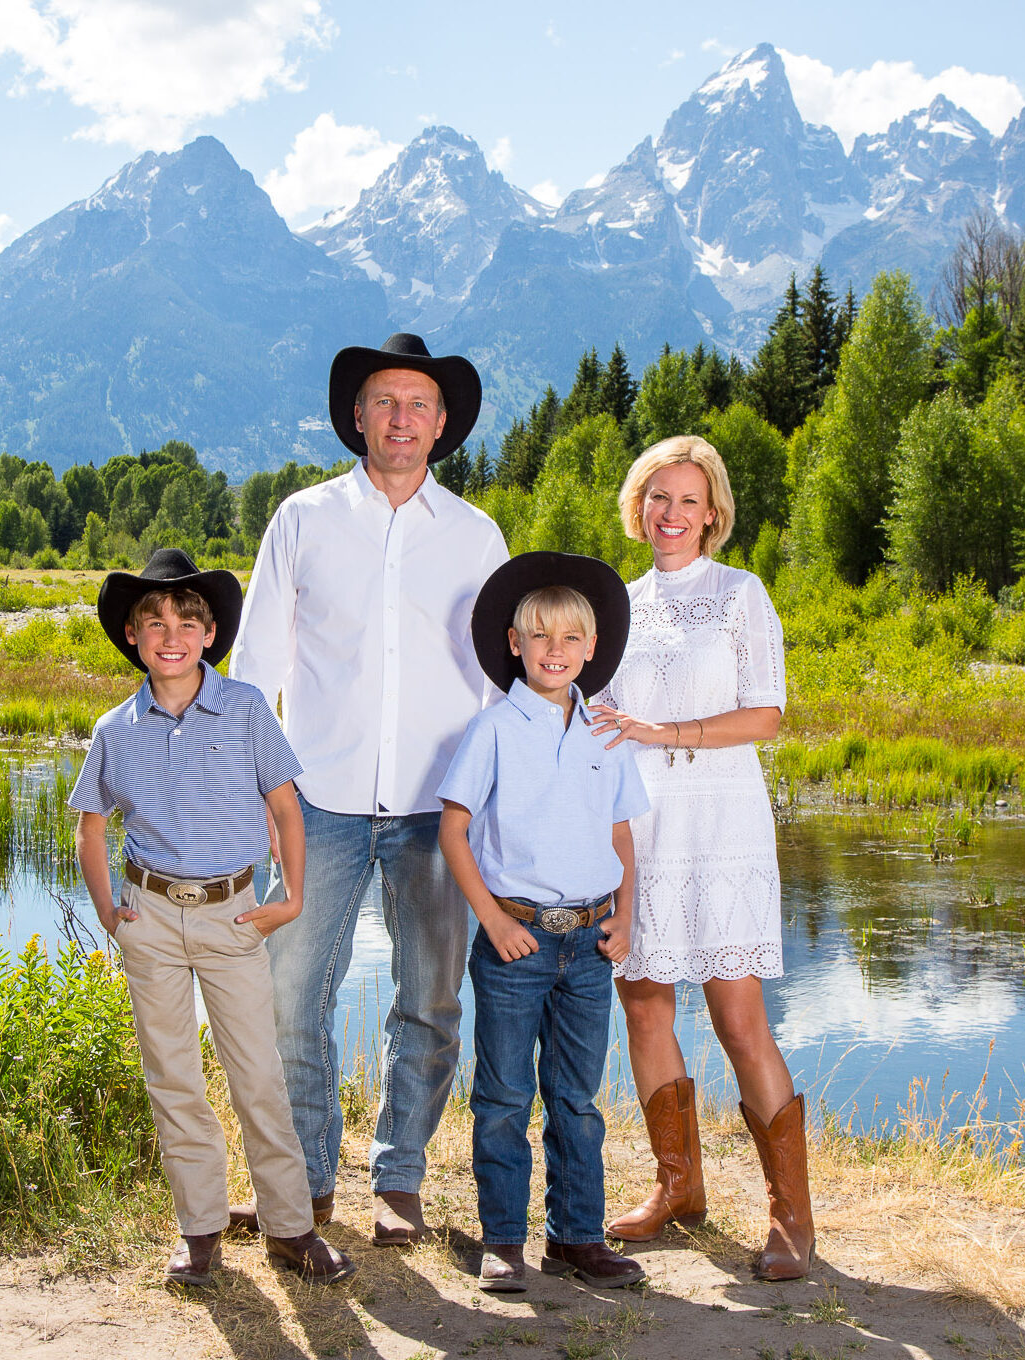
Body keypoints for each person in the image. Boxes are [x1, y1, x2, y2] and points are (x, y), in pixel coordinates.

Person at [229, 334, 510, 1245]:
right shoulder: (303, 520)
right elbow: (258, 665)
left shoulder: (476, 536)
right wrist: (262, 799)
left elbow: (504, 682)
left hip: (440, 810)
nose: (401, 419)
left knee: (429, 1000)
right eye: (385, 402)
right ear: (357, 414)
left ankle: (399, 1178)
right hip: (318, 802)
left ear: (442, 425)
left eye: (419, 405)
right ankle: (308, 1181)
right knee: (287, 997)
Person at [70, 548, 354, 1287]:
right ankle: (199, 1230)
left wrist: (287, 898)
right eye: (154, 621)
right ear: (133, 636)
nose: (171, 633)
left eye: (186, 620)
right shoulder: (116, 727)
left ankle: (290, 1228)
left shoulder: (248, 707)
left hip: (234, 917)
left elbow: (286, 807)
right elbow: (90, 824)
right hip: (152, 919)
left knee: (257, 1074)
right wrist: (109, 911)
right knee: (174, 1077)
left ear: (208, 634)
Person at [590, 436, 814, 1281]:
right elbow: (595, 716)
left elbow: (766, 715)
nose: (670, 514)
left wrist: (665, 733)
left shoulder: (740, 596)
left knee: (737, 1019)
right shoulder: (617, 603)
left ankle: (791, 1218)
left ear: (713, 512)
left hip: (722, 826)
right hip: (640, 832)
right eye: (656, 497)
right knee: (644, 1007)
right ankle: (679, 1189)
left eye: (687, 500)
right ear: (637, 507)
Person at [438, 551, 649, 1293]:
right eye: (539, 638)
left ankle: (577, 1238)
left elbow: (623, 835)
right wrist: (491, 921)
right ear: (513, 645)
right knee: (501, 1098)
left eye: (569, 640)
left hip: (590, 943)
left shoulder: (607, 733)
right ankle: (503, 1242)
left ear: (592, 648)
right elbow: (454, 831)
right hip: (517, 942)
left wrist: (627, 918)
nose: (554, 652)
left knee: (577, 1100)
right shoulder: (494, 730)